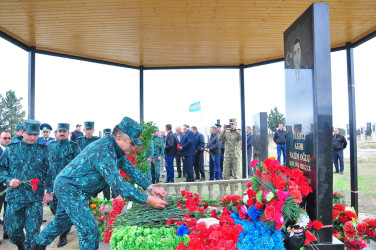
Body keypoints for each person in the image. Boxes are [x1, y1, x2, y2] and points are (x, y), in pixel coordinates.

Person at [30, 117, 167, 250]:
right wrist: (147, 199)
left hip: (76, 189)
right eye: (131, 143)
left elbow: (129, 168)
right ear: (119, 138)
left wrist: (150, 187)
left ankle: (37, 247)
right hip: (70, 189)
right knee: (89, 231)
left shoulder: (114, 148)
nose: (133, 147)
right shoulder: (103, 150)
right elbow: (118, 185)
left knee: (61, 222)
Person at [0, 120, 53, 250]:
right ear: (22, 132)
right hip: (14, 198)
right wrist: (9, 180)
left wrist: (49, 191)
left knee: (33, 233)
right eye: (29, 134)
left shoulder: (43, 150)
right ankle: (20, 245)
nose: (33, 137)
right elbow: (1, 168)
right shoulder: (11, 149)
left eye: (35, 134)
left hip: (34, 199)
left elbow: (50, 172)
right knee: (12, 230)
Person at [47, 123, 81, 247]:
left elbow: (79, 166)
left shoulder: (74, 147)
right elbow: (48, 166)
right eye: (60, 131)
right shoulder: (51, 146)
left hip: (67, 185)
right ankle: (66, 224)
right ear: (56, 132)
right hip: (53, 184)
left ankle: (63, 235)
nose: (62, 133)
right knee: (53, 208)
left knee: (63, 210)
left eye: (64, 131)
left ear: (68, 133)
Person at [0, 131, 11, 242]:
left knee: (8, 210)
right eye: (4, 138)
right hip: (0, 186)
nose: (7, 140)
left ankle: (6, 232)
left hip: (9, 186)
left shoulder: (12, 151)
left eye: (9, 138)